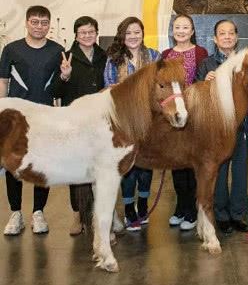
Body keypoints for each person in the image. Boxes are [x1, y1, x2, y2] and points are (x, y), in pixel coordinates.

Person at [1, 5, 63, 235]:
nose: (39, 26)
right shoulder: (11, 49)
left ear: (49, 25)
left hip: (45, 118)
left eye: (44, 22)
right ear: (26, 23)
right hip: (16, 118)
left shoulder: (58, 50)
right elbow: (3, 81)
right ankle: (15, 213)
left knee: (42, 165)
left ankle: (38, 212)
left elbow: (59, 86)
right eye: (35, 22)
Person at [104, 16, 160, 232]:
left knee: (146, 164)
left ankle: (143, 204)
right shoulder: (114, 59)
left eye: (137, 32)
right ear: (122, 36)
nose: (133, 36)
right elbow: (109, 88)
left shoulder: (154, 56)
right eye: (128, 33)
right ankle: (129, 209)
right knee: (129, 166)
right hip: (124, 122)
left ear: (143, 34)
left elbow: (160, 85)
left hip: (149, 121)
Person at [53, 16, 107, 236]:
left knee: (101, 168)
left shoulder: (104, 56)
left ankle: (102, 212)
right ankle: (78, 213)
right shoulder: (66, 57)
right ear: (76, 35)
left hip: (101, 120)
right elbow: (55, 91)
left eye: (91, 31)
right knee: (76, 169)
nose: (87, 35)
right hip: (75, 121)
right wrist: (64, 76)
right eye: (83, 32)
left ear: (96, 33)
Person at [197, 19, 248, 234]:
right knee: (218, 174)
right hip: (216, 131)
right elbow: (197, 97)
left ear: (236, 37)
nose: (227, 37)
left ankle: (238, 214)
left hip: (240, 127)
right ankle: (221, 216)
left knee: (240, 173)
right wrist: (205, 83)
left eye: (231, 33)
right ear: (215, 38)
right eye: (222, 33)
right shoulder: (207, 64)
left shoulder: (245, 63)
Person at [161, 14, 207, 231]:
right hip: (173, 117)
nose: (181, 31)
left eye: (185, 27)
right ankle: (180, 207)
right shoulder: (165, 55)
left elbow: (202, 83)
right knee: (176, 163)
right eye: (177, 27)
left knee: (191, 164)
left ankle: (192, 210)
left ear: (192, 31)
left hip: (194, 115)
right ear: (173, 31)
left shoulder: (200, 53)